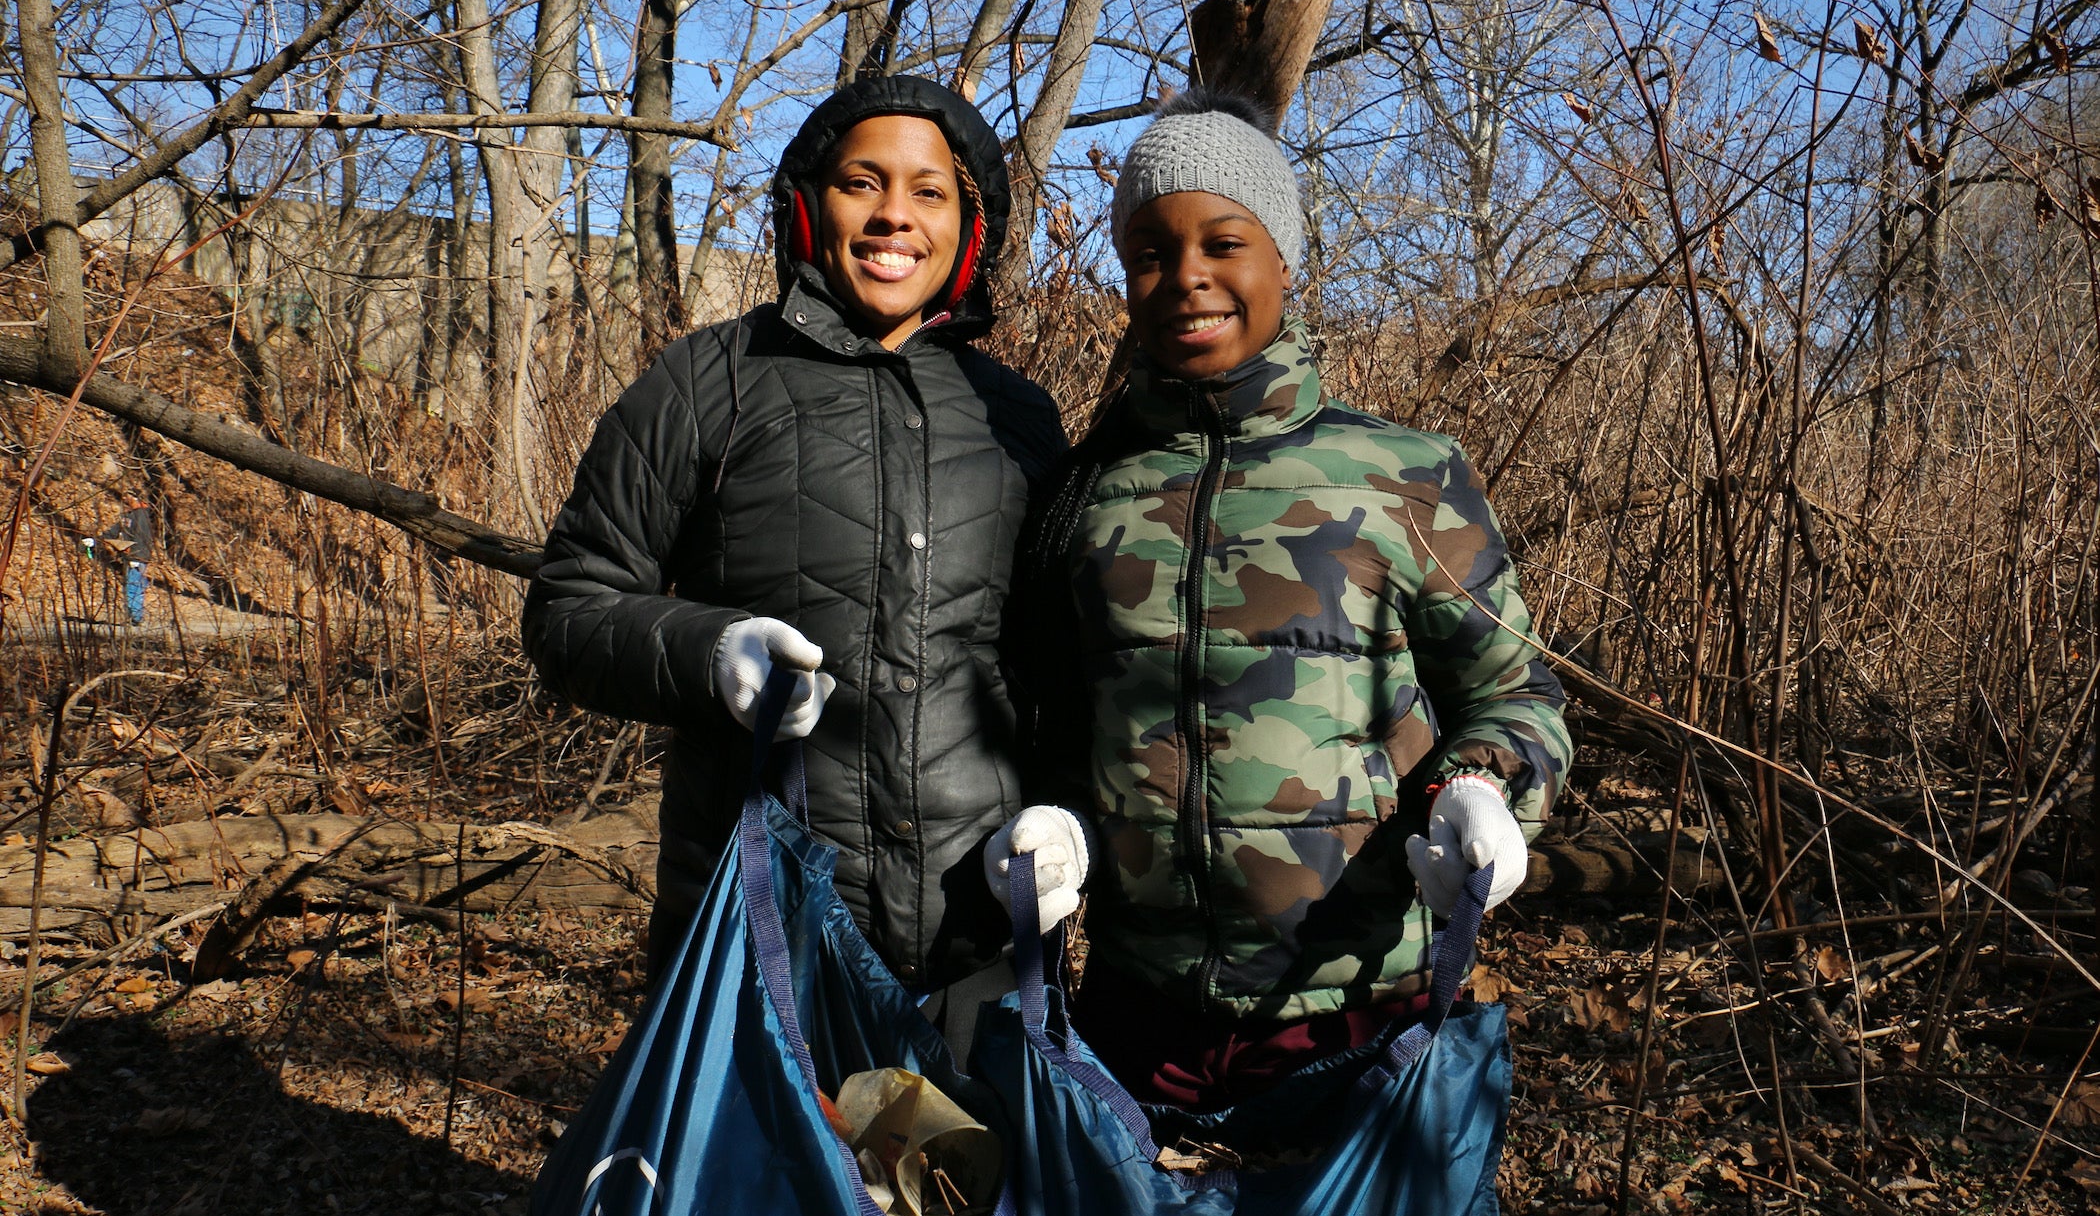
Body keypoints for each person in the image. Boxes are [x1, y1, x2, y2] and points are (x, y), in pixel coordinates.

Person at [990, 88, 1572, 1111]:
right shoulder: (1087, 492)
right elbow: (1066, 723)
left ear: (1286, 260)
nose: (1187, 280)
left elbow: (1515, 694)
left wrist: (1482, 789)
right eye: (1150, 255)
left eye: (1224, 242)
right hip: (1137, 1014)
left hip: (1359, 1014)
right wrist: (1058, 822)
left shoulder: (1404, 473)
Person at [522, 77, 1065, 1047]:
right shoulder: (706, 381)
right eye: (864, 181)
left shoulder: (1020, 419)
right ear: (810, 203)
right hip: (754, 942)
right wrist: (709, 650)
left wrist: (1069, 819)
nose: (894, 213)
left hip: (976, 949)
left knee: (960, 1203)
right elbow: (569, 610)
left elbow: (1058, 665)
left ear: (968, 226)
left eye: (929, 191)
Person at [104, 495, 153, 625]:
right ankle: (131, 615)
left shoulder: (142, 516)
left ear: (137, 499)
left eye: (128, 498)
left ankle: (136, 617)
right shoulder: (129, 516)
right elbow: (114, 530)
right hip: (129, 557)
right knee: (130, 585)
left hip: (137, 557)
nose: (125, 500)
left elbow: (142, 538)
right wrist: (98, 539)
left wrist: (135, 555)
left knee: (134, 585)